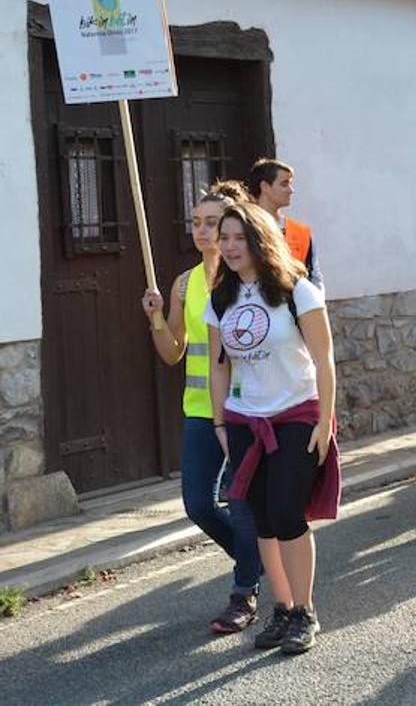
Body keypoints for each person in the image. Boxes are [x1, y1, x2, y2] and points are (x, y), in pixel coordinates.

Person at [206, 201, 338, 655]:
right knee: (259, 517)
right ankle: (282, 609)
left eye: (240, 237)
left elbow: (323, 358)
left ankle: (305, 610)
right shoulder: (219, 297)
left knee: (286, 513)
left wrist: (325, 419)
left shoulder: (295, 290)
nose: (230, 246)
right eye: (224, 238)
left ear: (260, 238)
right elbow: (218, 367)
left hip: (296, 414)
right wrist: (221, 420)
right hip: (246, 419)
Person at [141, 180, 262, 634]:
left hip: (247, 408)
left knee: (242, 500)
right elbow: (173, 351)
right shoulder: (184, 283)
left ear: (234, 226)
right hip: (199, 409)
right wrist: (155, 317)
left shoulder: (249, 279)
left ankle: (244, 589)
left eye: (213, 222)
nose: (203, 230)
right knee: (198, 505)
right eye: (197, 223)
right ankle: (256, 560)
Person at [247, 158, 322, 288]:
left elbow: (315, 278)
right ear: (265, 187)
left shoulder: (301, 232)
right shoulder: (241, 228)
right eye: (284, 184)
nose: (291, 190)